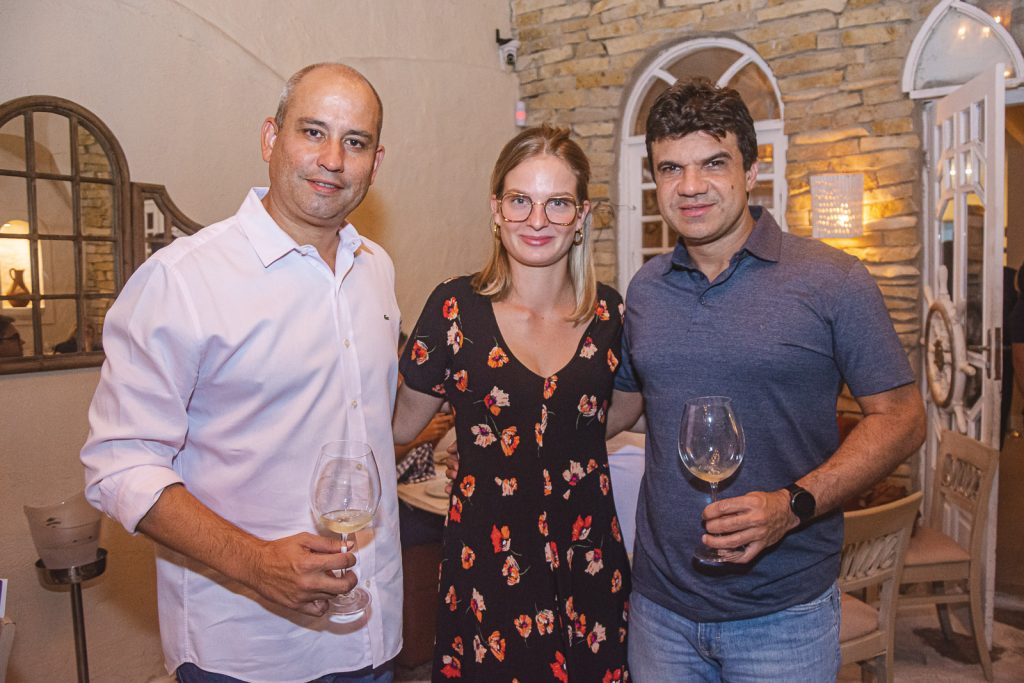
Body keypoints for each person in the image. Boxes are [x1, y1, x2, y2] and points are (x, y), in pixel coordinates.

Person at [80, 63, 401, 683]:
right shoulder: (183, 280)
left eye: (354, 142)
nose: (332, 158)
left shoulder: (376, 268)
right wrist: (254, 563)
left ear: (375, 161)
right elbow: (119, 463)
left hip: (372, 629)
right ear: (269, 139)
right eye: (313, 131)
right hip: (248, 647)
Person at [608, 79, 926, 681]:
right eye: (670, 168)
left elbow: (903, 419)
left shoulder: (833, 279)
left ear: (751, 171)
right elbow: (619, 407)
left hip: (783, 615)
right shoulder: (646, 289)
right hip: (659, 610)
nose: (691, 186)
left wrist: (792, 505)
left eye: (713, 163)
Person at [393, 125, 631, 681]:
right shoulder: (454, 308)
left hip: (590, 564)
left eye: (557, 203)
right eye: (521, 200)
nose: (538, 219)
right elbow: (401, 423)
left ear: (581, 215)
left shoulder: (612, 317)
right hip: (489, 571)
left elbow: (619, 411)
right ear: (496, 209)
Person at [395, 330, 454, 547]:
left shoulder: (423, 396)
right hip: (396, 498)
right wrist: (420, 438)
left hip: (417, 488)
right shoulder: (393, 401)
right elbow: (383, 458)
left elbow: (423, 456)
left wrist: (435, 434)